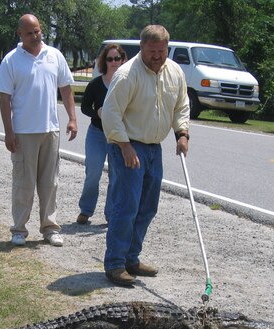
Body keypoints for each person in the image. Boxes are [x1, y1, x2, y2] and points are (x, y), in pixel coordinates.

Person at [101, 25, 190, 286]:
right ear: (141, 48)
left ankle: (132, 258)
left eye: (162, 51)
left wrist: (182, 132)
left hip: (154, 148)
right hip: (127, 146)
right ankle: (115, 264)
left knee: (148, 207)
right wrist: (124, 145)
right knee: (126, 206)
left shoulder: (174, 72)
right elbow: (111, 112)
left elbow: (181, 104)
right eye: (152, 51)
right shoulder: (127, 75)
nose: (157, 56)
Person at [0, 14, 78, 247]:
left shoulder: (54, 56)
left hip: (50, 130)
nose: (35, 36)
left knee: (50, 182)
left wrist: (72, 118)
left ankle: (50, 228)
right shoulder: (11, 60)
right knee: (24, 182)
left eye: (38, 31)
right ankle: (19, 230)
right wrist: (8, 132)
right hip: (23, 132)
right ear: (20, 34)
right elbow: (4, 99)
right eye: (30, 33)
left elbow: (66, 90)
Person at [76, 44, 128, 225]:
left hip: (118, 136)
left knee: (116, 175)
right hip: (97, 133)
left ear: (123, 60)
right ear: (104, 61)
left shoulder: (126, 83)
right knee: (93, 172)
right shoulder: (96, 84)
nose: (113, 62)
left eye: (117, 59)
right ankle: (86, 210)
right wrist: (96, 112)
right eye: (110, 59)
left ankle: (111, 213)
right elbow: (84, 107)